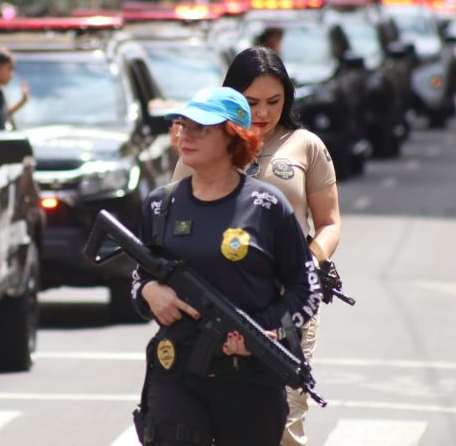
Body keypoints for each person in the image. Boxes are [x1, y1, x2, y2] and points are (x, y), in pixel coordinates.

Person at [132, 86, 322, 446]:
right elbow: (141, 273)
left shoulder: (267, 207)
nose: (185, 135)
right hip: (176, 373)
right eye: (182, 125)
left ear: (234, 137)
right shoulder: (161, 205)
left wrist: (267, 333)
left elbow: (305, 287)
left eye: (201, 128)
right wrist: (149, 291)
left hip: (249, 378)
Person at [170, 46, 340, 446]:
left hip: (286, 303)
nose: (263, 113)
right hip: (213, 300)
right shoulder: (205, 143)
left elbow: (329, 223)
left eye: (273, 102)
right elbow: (173, 219)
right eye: (251, 103)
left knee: (284, 421)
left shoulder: (306, 146)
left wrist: (308, 262)